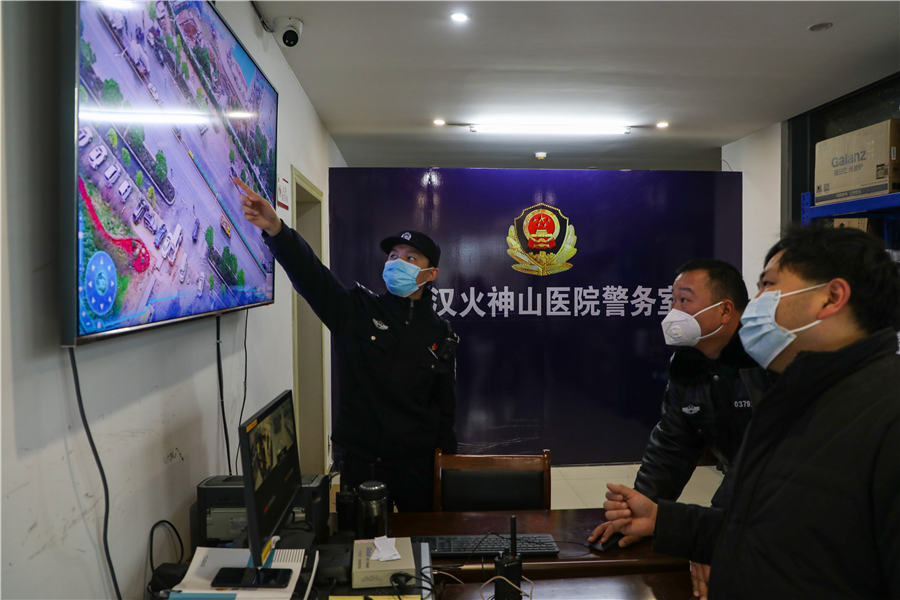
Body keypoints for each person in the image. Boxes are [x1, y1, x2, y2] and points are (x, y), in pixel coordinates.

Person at [595, 226, 900, 599]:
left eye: (768, 286)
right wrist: (662, 519)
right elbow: (764, 521)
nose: (754, 303)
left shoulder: (883, 412)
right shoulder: (797, 392)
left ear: (831, 297)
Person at [233, 178, 459, 511]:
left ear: (430, 274)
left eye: (411, 257)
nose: (397, 261)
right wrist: (277, 230)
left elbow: (445, 409)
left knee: (421, 546)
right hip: (363, 463)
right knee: (361, 551)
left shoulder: (441, 333)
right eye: (393, 255)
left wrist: (445, 466)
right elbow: (313, 277)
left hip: (417, 466)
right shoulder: (357, 310)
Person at [591, 259, 757, 551]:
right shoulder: (686, 364)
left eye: (685, 300)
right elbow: (672, 446)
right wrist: (639, 511)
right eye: (673, 300)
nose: (673, 312)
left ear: (725, 310)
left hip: (787, 502)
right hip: (744, 500)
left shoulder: (765, 360)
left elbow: (759, 458)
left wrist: (712, 531)